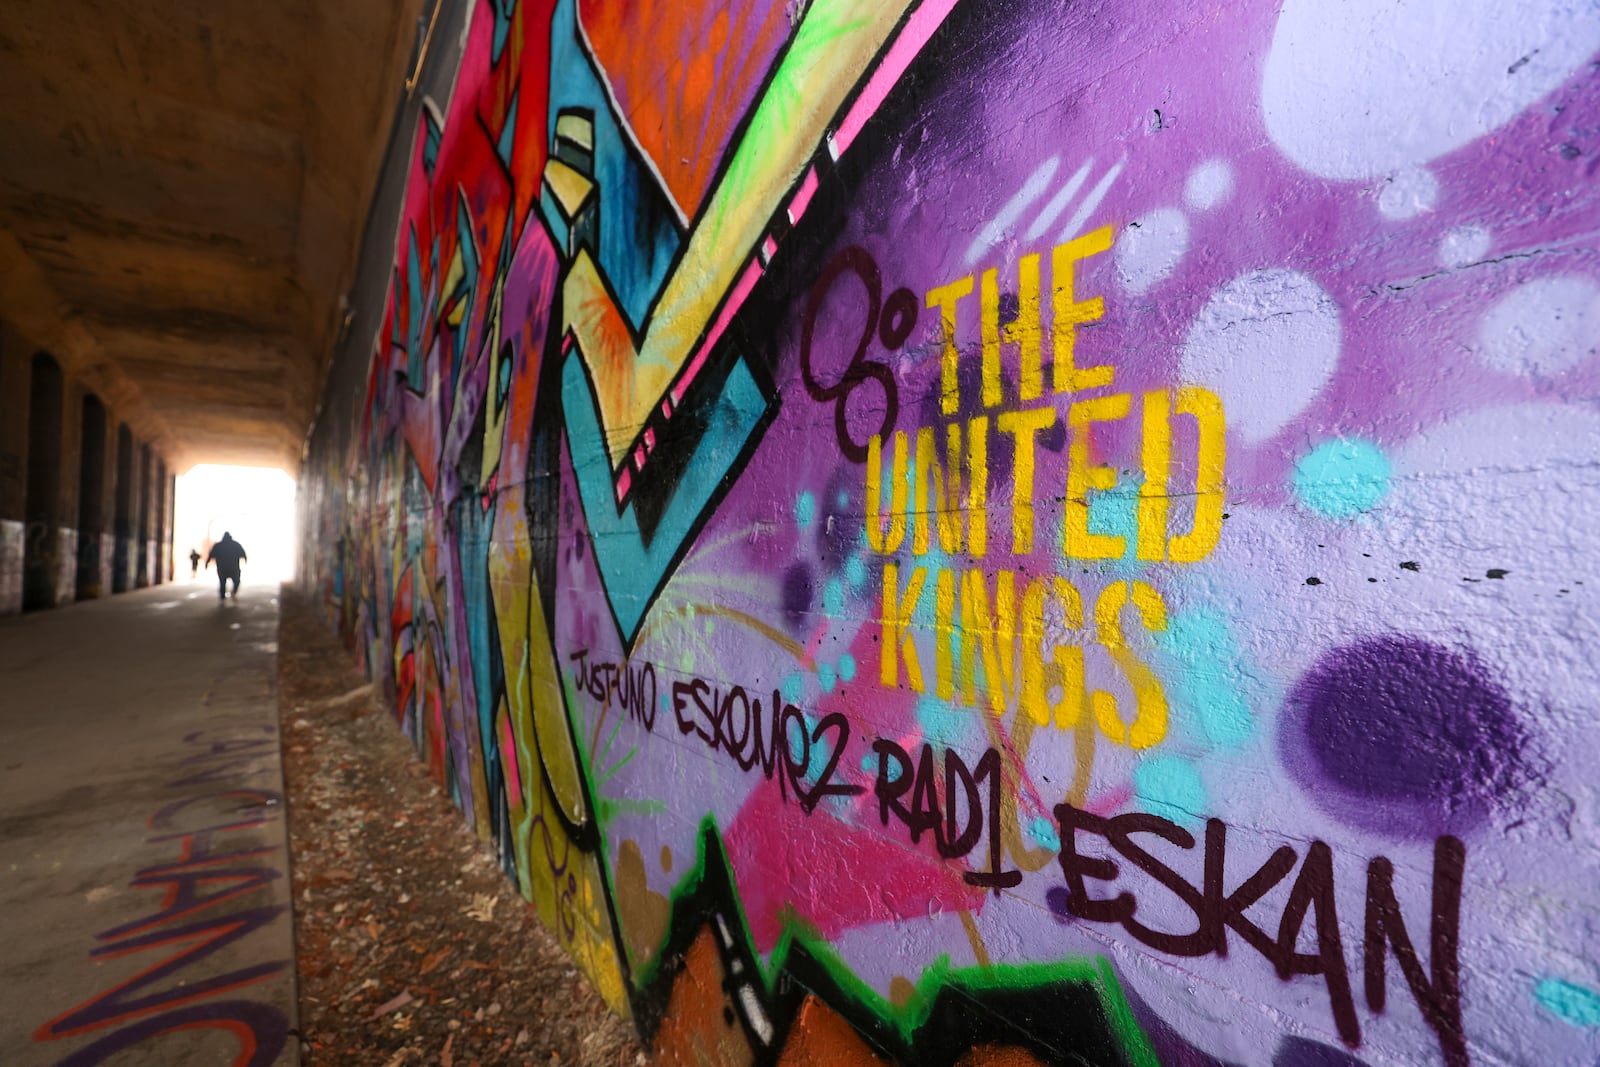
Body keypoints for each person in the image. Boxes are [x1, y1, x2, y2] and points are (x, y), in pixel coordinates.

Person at [206, 532, 248, 600]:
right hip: (234, 567)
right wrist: (245, 560)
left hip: (222, 568)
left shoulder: (218, 545)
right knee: (236, 581)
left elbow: (211, 555)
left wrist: (207, 563)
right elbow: (243, 553)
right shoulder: (235, 545)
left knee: (222, 582)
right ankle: (233, 592)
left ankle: (223, 597)